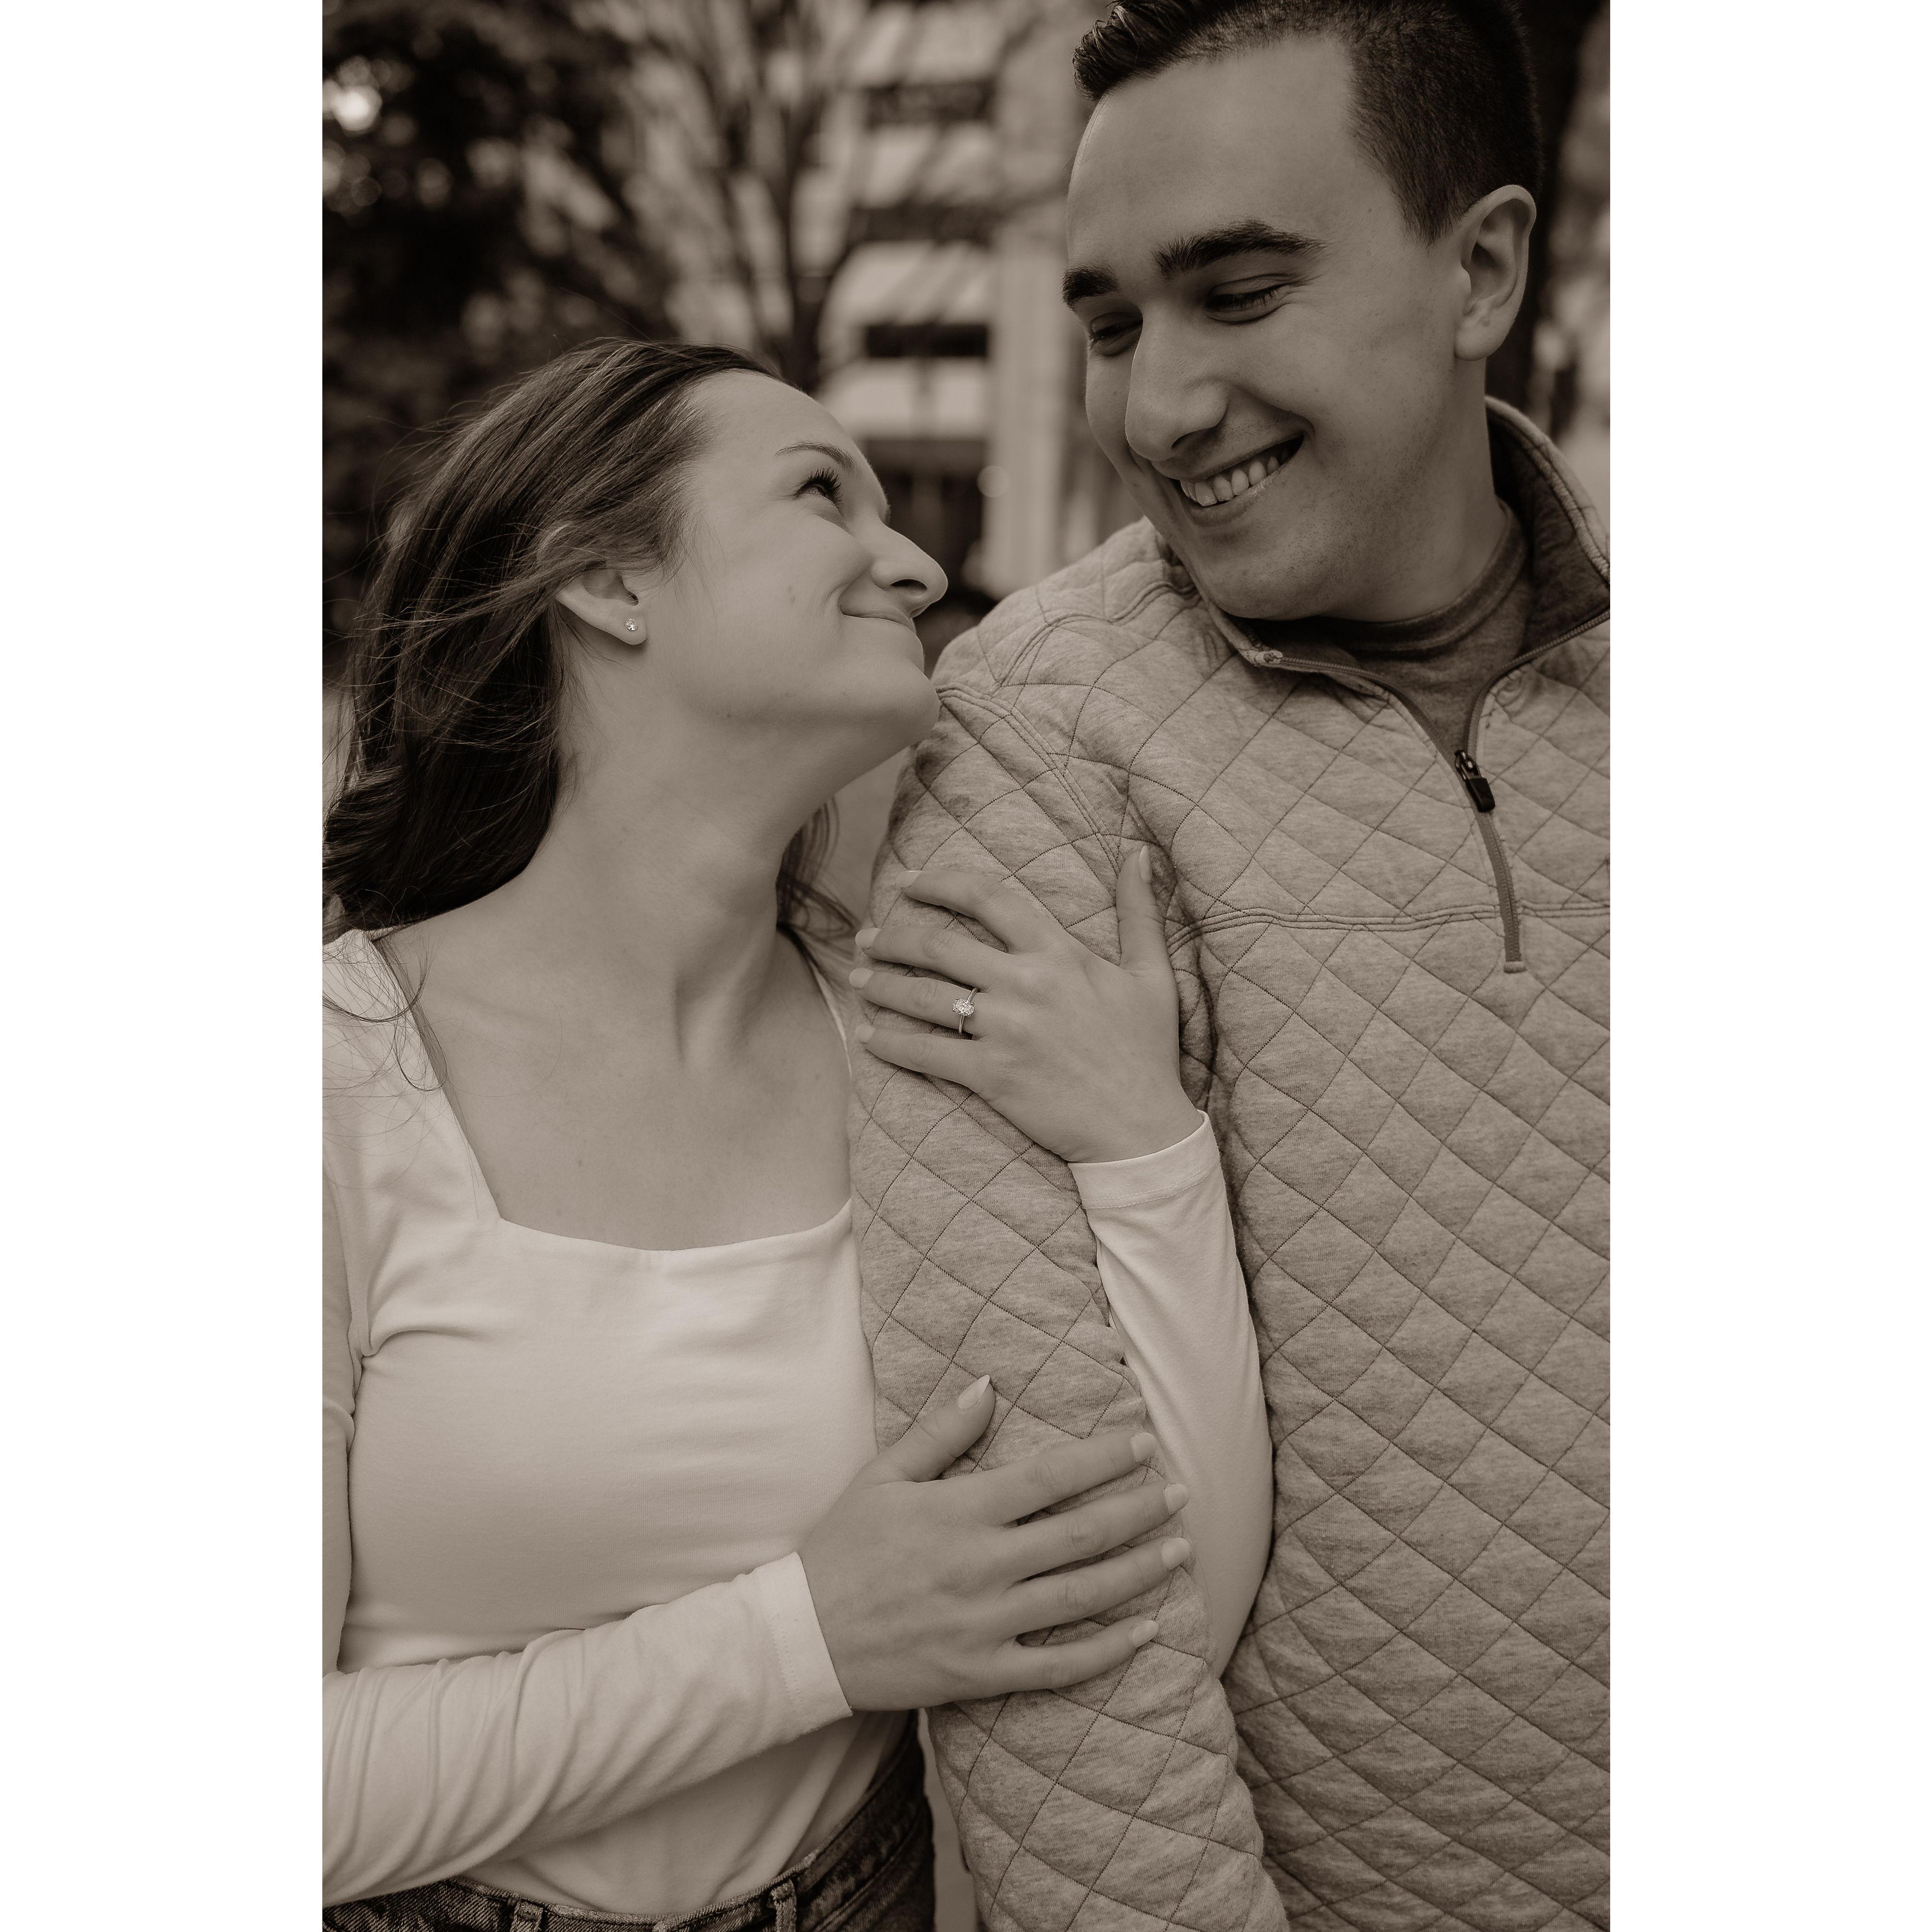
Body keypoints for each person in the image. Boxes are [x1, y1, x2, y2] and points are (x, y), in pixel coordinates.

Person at [322, 338, 1275, 1932]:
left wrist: (1141, 1140)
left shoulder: (914, 1044)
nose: (916, 566)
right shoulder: (328, 1078)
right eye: (825, 494)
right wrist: (808, 1639)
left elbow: (1160, 1593)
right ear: (606, 580)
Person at [848, 4, 1610, 1930]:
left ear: (1482, 271)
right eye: (1113, 326)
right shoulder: (1031, 733)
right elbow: (1041, 1570)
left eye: (1241, 294)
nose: (1160, 406)